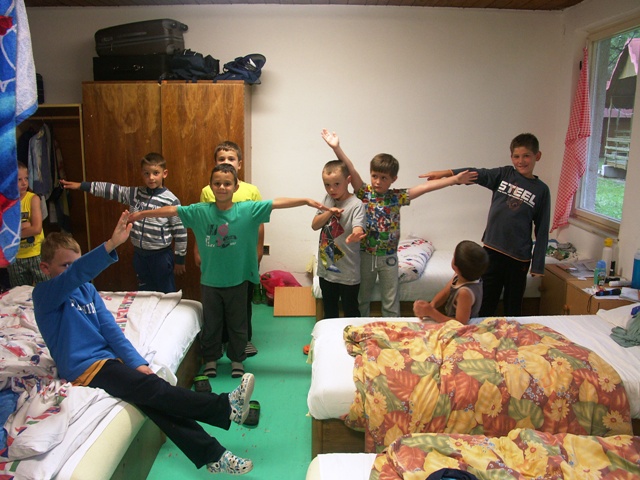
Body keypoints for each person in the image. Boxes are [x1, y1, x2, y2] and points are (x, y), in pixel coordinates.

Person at [33, 211, 256, 475]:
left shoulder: (88, 291)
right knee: (154, 389)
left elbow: (111, 330)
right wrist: (111, 244)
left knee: (156, 402)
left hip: (107, 360)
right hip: (84, 368)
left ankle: (213, 455)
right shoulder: (44, 296)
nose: (73, 271)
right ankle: (224, 406)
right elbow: (77, 275)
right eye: (65, 265)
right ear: (45, 268)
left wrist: (137, 363)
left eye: (75, 263)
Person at [130, 163, 328, 379]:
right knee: (212, 324)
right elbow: (172, 210)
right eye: (217, 183)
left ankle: (237, 359)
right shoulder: (200, 211)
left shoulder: (247, 210)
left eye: (227, 184)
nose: (222, 187)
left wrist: (305, 201)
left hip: (238, 281)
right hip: (210, 281)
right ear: (210, 186)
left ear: (235, 187)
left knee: (238, 323)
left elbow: (276, 203)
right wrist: (141, 215)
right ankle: (211, 359)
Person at [321, 129, 476, 317]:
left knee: (390, 300)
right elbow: (350, 169)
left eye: (384, 178)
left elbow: (425, 187)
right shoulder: (363, 192)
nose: (378, 182)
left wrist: (455, 179)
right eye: (374, 176)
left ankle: (392, 327)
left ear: (393, 179)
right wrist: (336, 148)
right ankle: (361, 327)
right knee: (362, 298)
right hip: (366, 255)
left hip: (389, 257)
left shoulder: (397, 196)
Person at [422, 133, 551, 317]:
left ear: (537, 156)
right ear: (511, 157)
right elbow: (477, 173)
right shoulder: (504, 174)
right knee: (486, 301)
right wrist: (447, 173)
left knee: (513, 305)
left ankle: (512, 332)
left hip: (519, 258)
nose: (521, 161)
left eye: (526, 156)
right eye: (516, 156)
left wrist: (538, 265)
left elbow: (542, 228)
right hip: (492, 250)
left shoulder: (541, 190)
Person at [61, 152, 187, 294]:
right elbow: (111, 190)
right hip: (139, 255)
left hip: (161, 257)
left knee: (166, 293)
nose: (151, 178)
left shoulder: (171, 200)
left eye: (155, 173)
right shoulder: (135, 194)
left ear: (164, 173)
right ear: (142, 173)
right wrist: (81, 186)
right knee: (144, 293)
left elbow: (180, 231)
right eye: (146, 173)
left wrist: (180, 259)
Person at [196, 141, 263, 358]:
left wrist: (258, 250)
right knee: (218, 303)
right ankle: (223, 341)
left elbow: (259, 223)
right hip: (217, 257)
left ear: (239, 163)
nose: (227, 162)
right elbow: (201, 223)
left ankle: (244, 340)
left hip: (243, 258)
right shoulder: (208, 191)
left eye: (231, 159)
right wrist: (198, 250)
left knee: (242, 301)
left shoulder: (251, 190)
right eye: (221, 159)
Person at [313, 160, 366, 319]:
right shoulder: (327, 199)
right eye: (327, 185)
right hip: (326, 269)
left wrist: (356, 233)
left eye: (337, 184)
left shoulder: (356, 204)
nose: (332, 189)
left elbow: (358, 226)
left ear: (348, 180)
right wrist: (329, 212)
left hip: (348, 272)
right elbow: (315, 225)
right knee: (330, 312)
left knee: (351, 312)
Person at [413, 240, 488, 324]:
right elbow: (445, 292)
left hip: (461, 327)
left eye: (453, 256)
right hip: (452, 321)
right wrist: (431, 305)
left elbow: (461, 323)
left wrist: (432, 313)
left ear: (456, 267)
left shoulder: (464, 293)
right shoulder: (461, 275)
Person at [8, 162, 49, 287]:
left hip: (36, 253)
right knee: (19, 292)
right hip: (15, 257)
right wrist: (25, 225)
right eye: (19, 180)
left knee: (46, 288)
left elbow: (36, 229)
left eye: (26, 178)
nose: (24, 183)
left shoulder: (33, 198)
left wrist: (14, 232)